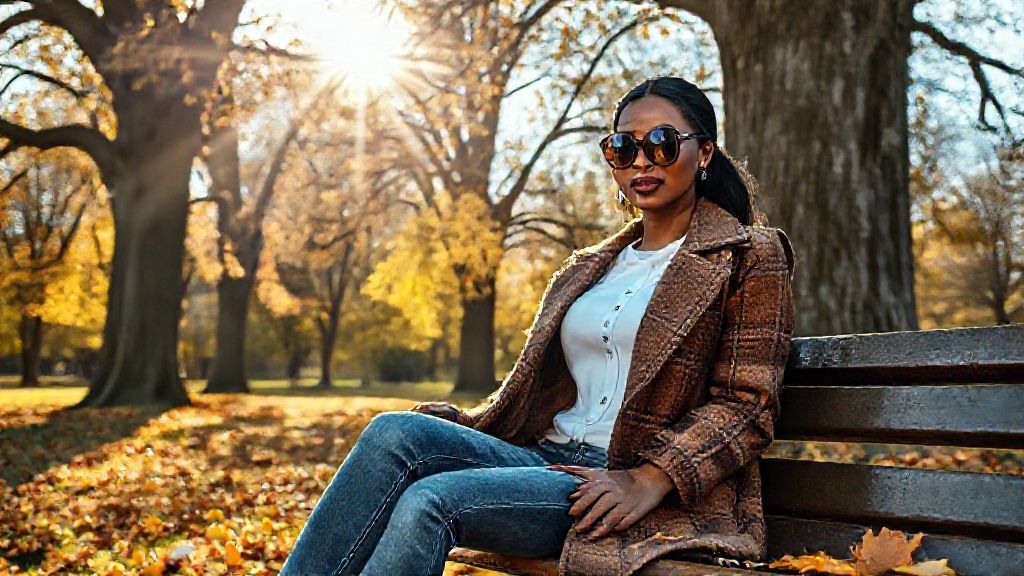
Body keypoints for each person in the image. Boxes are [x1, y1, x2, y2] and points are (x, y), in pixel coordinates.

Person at [280, 75, 796, 576]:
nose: (640, 161)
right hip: (542, 458)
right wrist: (467, 423)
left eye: (661, 143)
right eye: (623, 147)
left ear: (703, 153)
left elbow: (747, 405)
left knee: (429, 501)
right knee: (393, 432)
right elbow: (539, 393)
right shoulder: (590, 267)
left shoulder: (747, 255)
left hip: (617, 482)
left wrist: (649, 477)